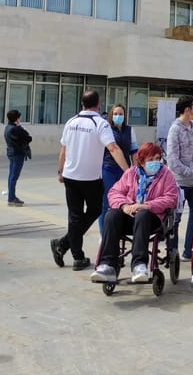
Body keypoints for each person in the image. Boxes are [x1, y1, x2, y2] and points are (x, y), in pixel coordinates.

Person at [51, 90, 129, 270]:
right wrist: (128, 171)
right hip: (90, 178)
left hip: (71, 176)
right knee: (93, 211)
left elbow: (63, 150)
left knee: (75, 216)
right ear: (99, 103)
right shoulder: (100, 123)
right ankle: (75, 255)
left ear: (82, 103)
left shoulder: (71, 122)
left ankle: (64, 246)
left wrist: (60, 171)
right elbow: (113, 148)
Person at [90, 143, 179, 283]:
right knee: (111, 215)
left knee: (142, 215)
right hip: (130, 215)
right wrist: (125, 205)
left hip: (152, 218)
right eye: (151, 160)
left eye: (158, 158)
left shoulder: (166, 174)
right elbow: (114, 192)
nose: (155, 163)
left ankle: (139, 265)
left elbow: (171, 198)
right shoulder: (131, 173)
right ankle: (107, 265)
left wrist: (146, 205)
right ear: (142, 161)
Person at [166, 96, 193, 261]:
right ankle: (172, 252)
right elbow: (172, 160)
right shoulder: (175, 129)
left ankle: (189, 251)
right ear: (188, 109)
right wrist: (189, 171)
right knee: (175, 218)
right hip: (180, 182)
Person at [98, 104, 138, 232]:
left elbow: (134, 152)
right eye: (115, 114)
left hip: (124, 171)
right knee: (106, 202)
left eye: (121, 114)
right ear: (111, 115)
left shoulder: (130, 130)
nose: (118, 116)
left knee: (124, 201)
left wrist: (136, 170)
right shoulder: (106, 129)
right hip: (108, 169)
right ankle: (104, 234)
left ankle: (119, 231)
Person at [4, 109, 32, 207]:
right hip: (17, 154)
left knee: (11, 175)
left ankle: (11, 196)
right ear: (17, 118)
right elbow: (28, 138)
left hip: (11, 153)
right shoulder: (16, 129)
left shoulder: (8, 127)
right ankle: (11, 198)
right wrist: (20, 127)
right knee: (14, 177)